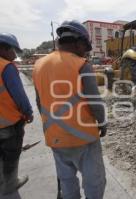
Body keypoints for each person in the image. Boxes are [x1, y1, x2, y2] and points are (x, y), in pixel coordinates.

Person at [32, 20, 107, 199]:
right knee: (94, 181)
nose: (85, 52)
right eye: (85, 47)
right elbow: (95, 101)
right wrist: (103, 122)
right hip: (83, 136)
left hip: (55, 136)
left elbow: (39, 101)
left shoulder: (38, 65)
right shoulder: (81, 64)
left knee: (66, 180)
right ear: (77, 42)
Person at [0, 33, 33, 195]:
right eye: (14, 50)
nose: (15, 55)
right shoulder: (6, 67)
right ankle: (11, 184)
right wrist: (28, 113)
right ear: (5, 48)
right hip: (7, 124)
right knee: (11, 156)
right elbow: (19, 96)